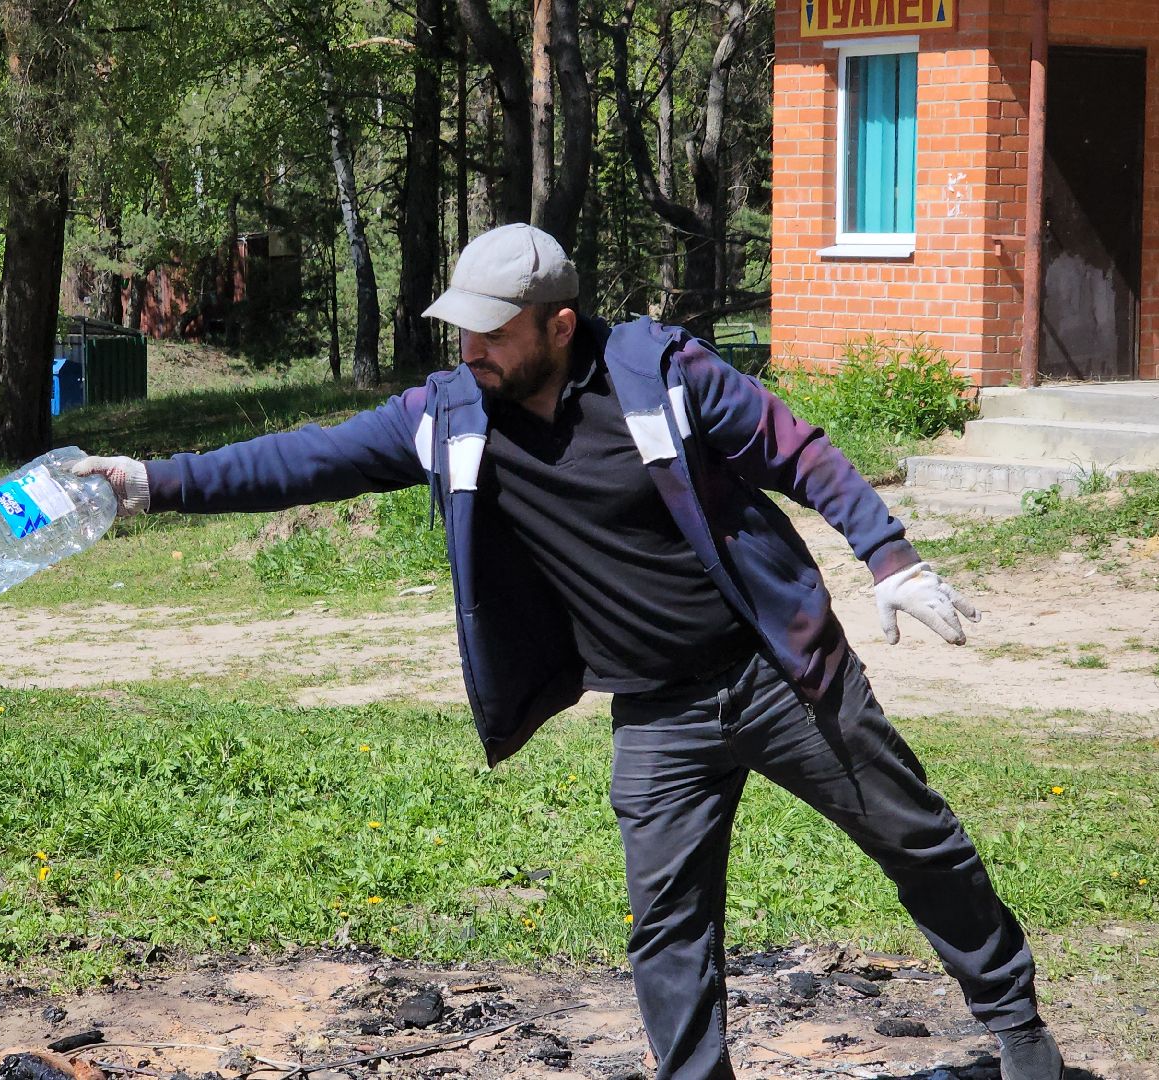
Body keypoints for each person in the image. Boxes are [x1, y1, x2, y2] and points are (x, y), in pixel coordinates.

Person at [72, 223, 1064, 1080]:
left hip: (775, 675)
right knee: (667, 928)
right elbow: (304, 458)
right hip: (656, 713)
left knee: (915, 840)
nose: (472, 348)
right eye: (462, 327)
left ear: (555, 323)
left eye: (493, 330)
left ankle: (1017, 1034)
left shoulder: (656, 375)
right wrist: (149, 483)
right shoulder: (455, 415)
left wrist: (889, 560)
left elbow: (797, 451)